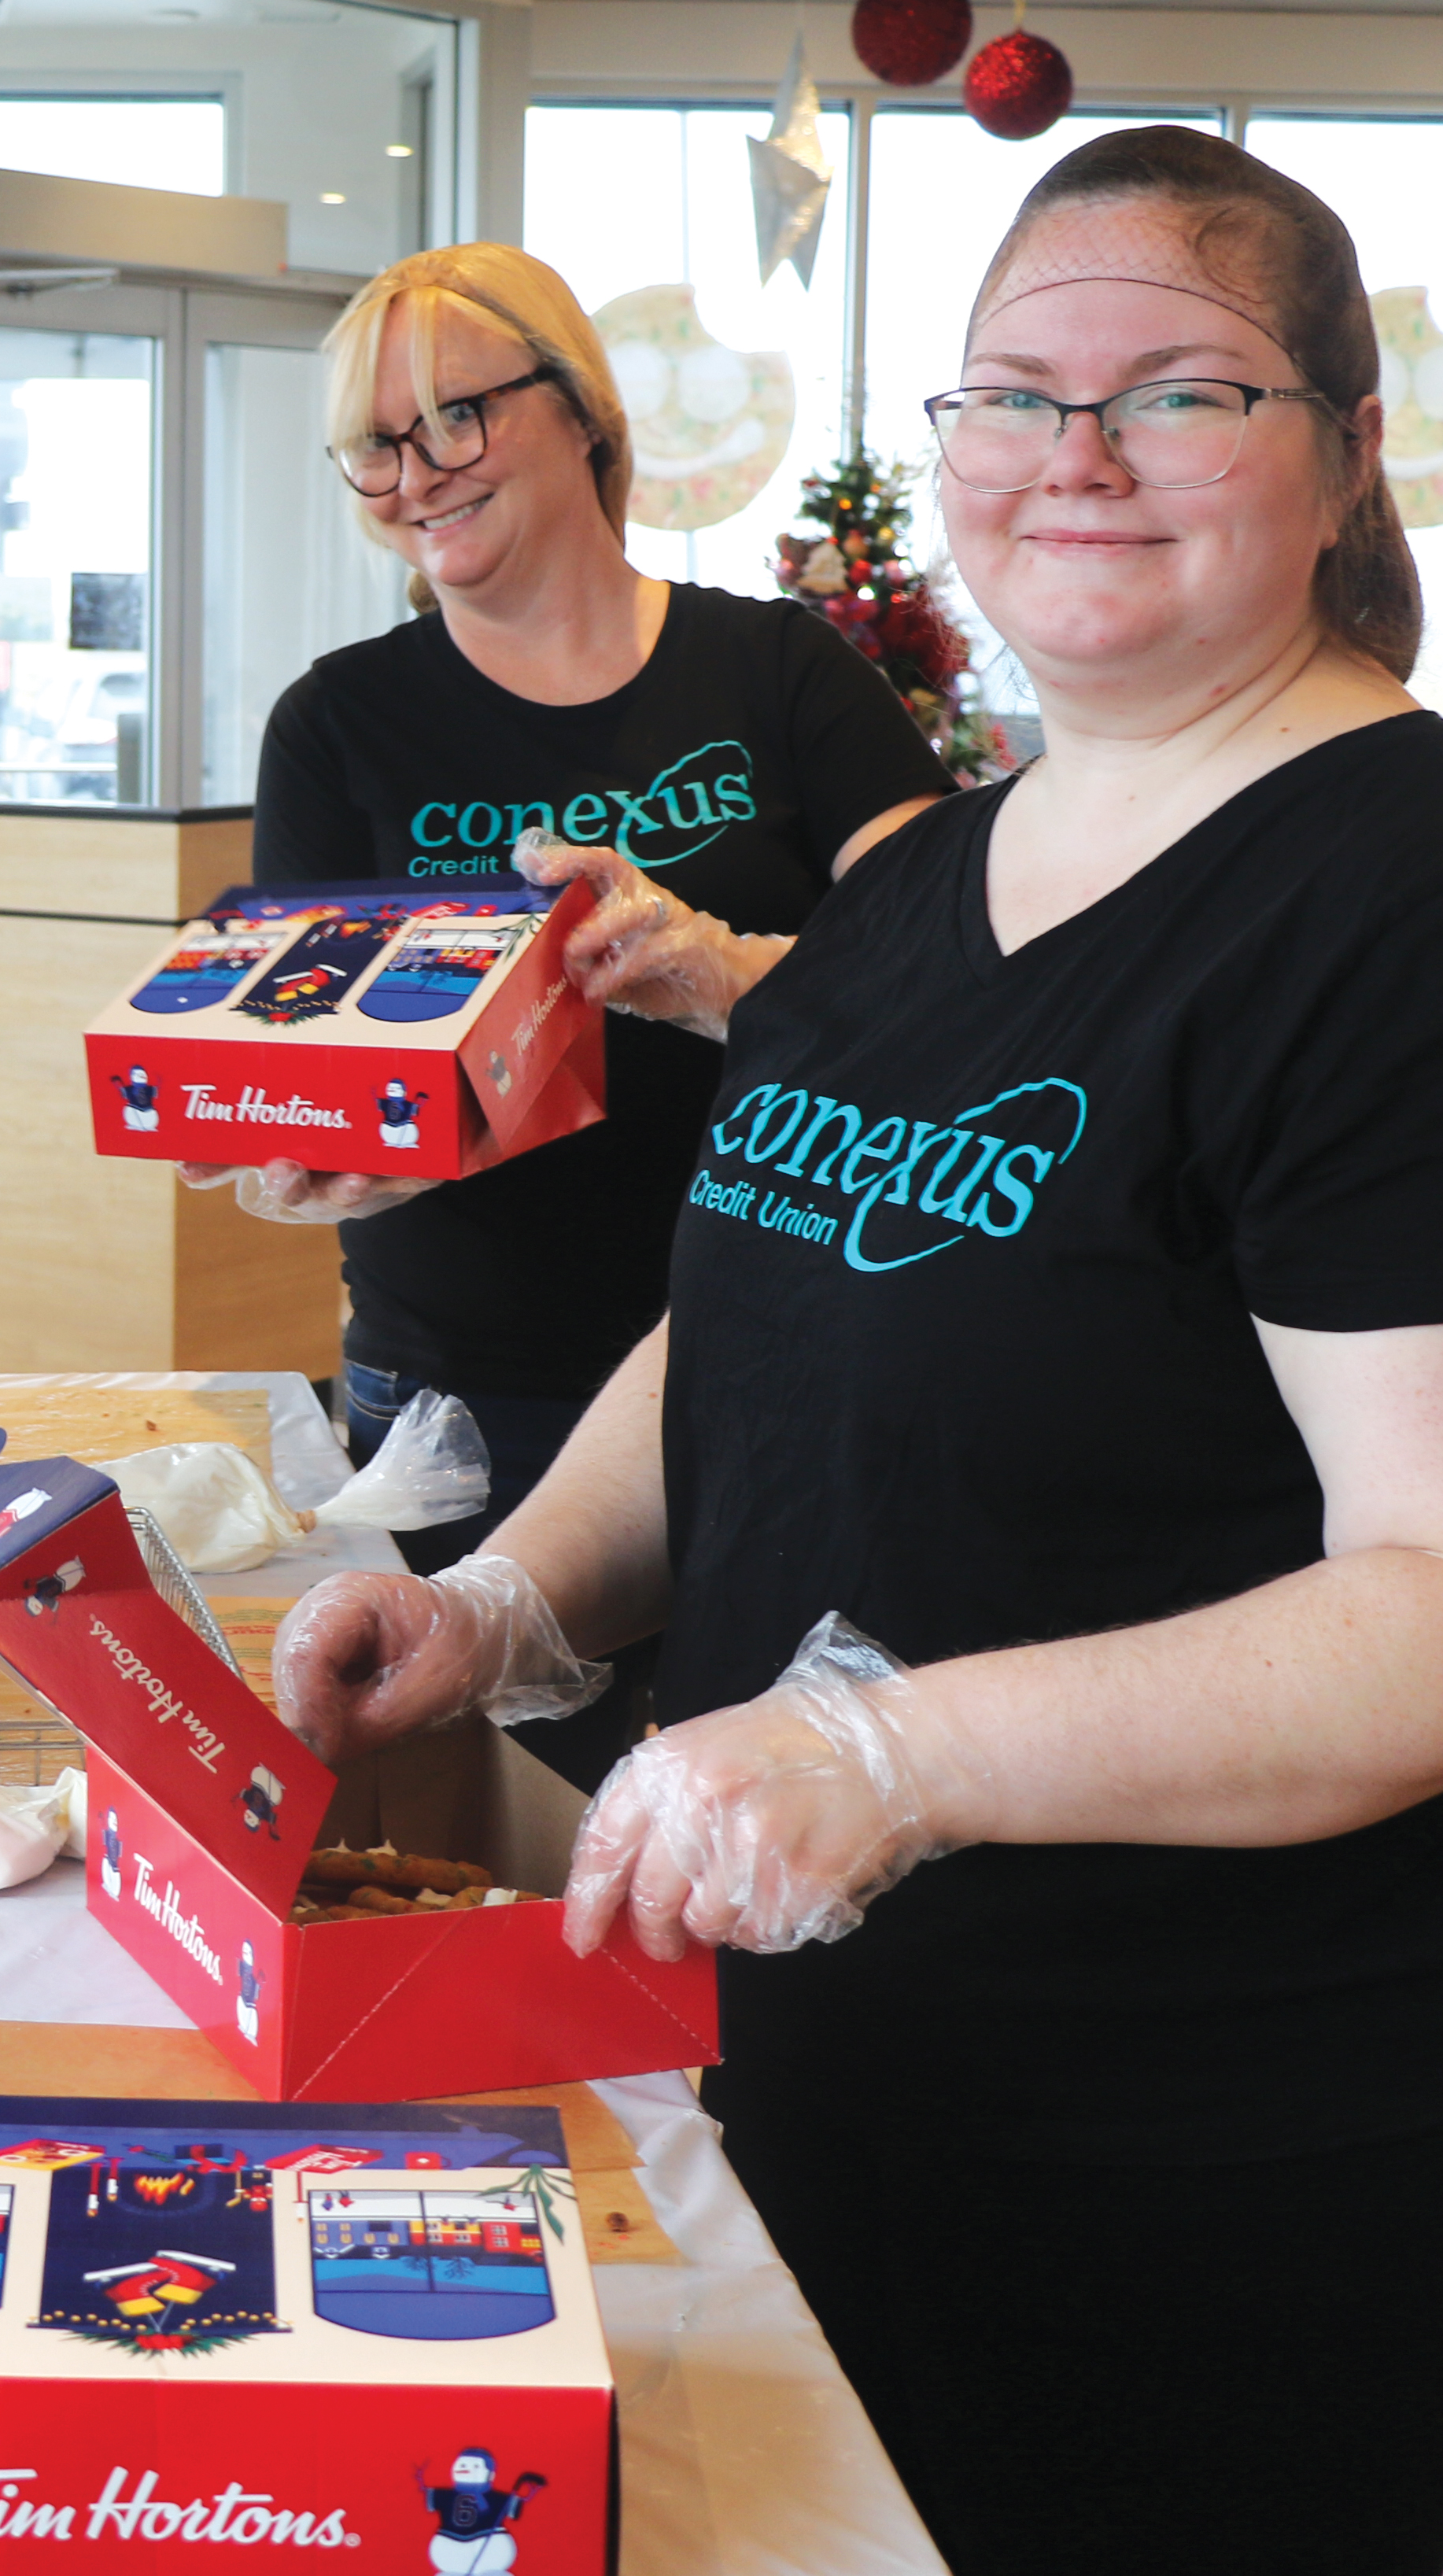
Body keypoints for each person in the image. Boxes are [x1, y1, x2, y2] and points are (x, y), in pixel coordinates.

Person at [270, 133, 1443, 2574]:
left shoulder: (1382, 894)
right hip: (824, 2080)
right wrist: (507, 1598)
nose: (1070, 460)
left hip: (1191, 2168)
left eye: (1173, 392)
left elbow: (1421, 1597)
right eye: (1007, 396)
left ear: (1338, 449)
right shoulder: (942, 871)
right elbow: (745, 1318)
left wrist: (886, 1746)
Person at [189, 243, 950, 1782]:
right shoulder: (341, 721)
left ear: (581, 407)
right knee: (511, 1845)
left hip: (787, 1352)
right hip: (473, 1396)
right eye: (376, 444)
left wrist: (722, 968)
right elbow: (325, 1065)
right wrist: (326, 1143)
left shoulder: (779, 671)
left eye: (452, 419)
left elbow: (960, 992)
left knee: (784, 1822)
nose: (414, 476)